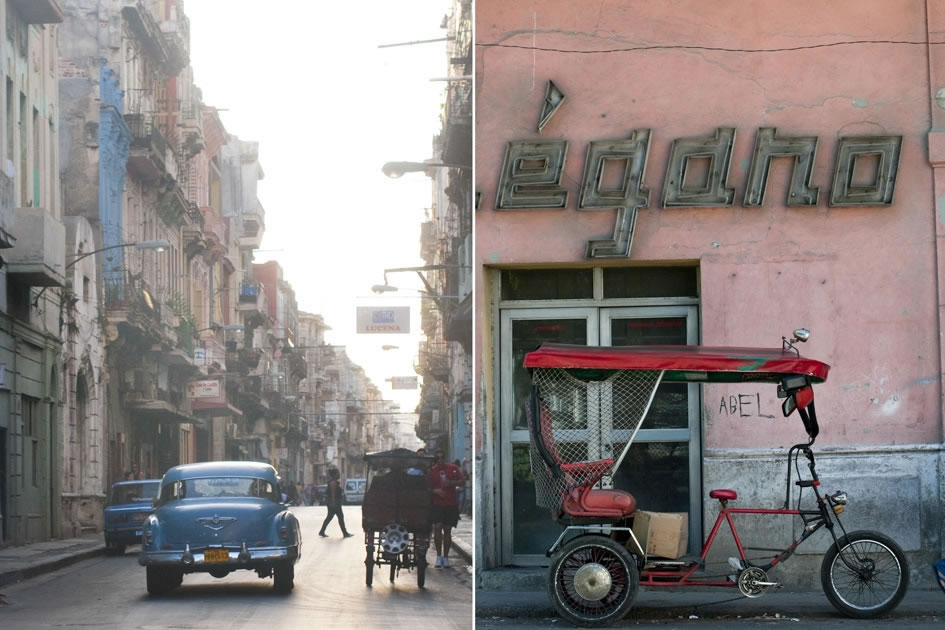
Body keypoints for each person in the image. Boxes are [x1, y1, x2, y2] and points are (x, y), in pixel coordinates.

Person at [430, 450, 465, 567]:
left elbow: (463, 481)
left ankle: (446, 557)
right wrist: (436, 491)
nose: (440, 459)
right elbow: (426, 487)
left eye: (442, 457)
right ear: (436, 459)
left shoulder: (452, 468)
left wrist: (451, 482)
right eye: (438, 457)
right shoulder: (432, 470)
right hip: (437, 504)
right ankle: (439, 556)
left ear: (444, 458)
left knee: (448, 530)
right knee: (437, 527)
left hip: (450, 503)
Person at [319, 468, 353, 538]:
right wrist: (333, 502)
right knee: (340, 517)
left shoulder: (333, 482)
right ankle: (345, 533)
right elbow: (333, 494)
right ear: (334, 474)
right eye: (337, 473)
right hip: (334, 503)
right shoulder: (333, 483)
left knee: (330, 517)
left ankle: (322, 531)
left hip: (333, 503)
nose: (339, 474)